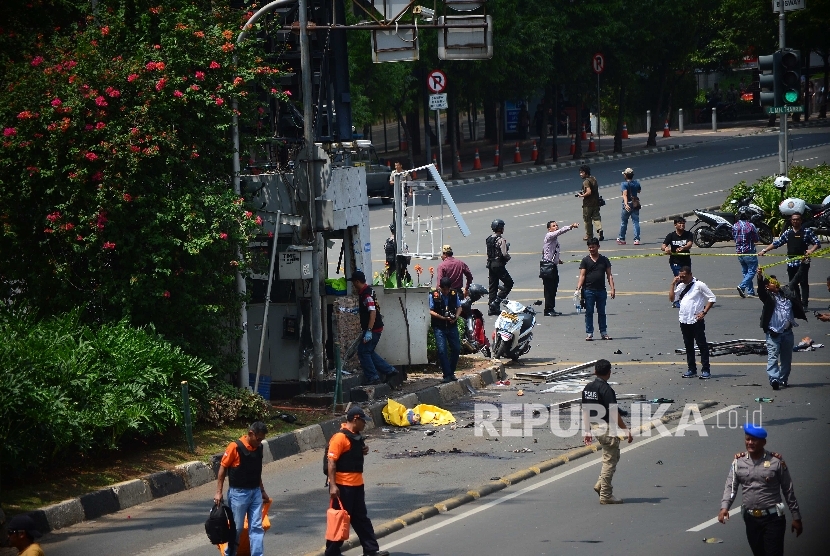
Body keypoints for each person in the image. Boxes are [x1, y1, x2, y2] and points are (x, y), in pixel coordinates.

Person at [718, 424, 803, 554]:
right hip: (751, 519)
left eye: (754, 440)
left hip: (773, 518)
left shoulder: (776, 462)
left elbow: (788, 490)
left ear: (763, 442)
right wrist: (725, 507)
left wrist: (796, 517)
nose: (750, 443)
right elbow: (731, 486)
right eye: (747, 439)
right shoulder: (738, 462)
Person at [325, 407, 389, 556]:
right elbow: (331, 462)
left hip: (357, 485)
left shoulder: (356, 436)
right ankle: (331, 553)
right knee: (340, 520)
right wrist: (333, 486)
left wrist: (362, 450)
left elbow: (352, 455)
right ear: (355, 419)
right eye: (363, 421)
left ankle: (371, 550)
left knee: (361, 519)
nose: (364, 424)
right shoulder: (339, 438)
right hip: (343, 487)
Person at [214, 422, 270, 556]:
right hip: (238, 494)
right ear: (251, 434)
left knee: (256, 527)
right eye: (258, 439)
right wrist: (218, 492)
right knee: (237, 529)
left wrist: (262, 491)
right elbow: (222, 469)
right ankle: (230, 553)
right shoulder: (235, 447)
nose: (260, 442)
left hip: (255, 492)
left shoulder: (259, 448)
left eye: (262, 439)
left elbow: (257, 471)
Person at [582, 359, 633, 505]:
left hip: (595, 426)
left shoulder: (588, 387)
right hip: (606, 427)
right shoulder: (606, 389)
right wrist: (626, 430)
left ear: (595, 371)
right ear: (609, 373)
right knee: (610, 460)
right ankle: (605, 494)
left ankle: (600, 484)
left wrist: (587, 430)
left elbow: (585, 410)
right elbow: (614, 413)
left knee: (612, 455)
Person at [756, 267, 807, 390]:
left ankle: (783, 379)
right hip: (773, 333)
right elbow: (761, 292)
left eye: (776, 281)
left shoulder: (786, 292)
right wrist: (759, 277)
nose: (776, 283)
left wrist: (804, 263)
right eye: (773, 283)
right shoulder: (768, 297)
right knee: (773, 357)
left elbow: (796, 278)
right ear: (768, 287)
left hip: (787, 333)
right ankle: (774, 379)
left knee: (786, 359)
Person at [759, 213, 820, 309]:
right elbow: (777, 243)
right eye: (793, 219)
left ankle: (805, 304)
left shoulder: (807, 232)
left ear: (801, 220)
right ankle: (798, 302)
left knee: (804, 283)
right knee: (793, 283)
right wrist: (764, 250)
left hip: (803, 262)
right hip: (791, 262)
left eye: (797, 219)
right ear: (791, 221)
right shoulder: (788, 233)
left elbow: (817, 243)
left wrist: (811, 250)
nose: (795, 221)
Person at [350, 270, 397, 385]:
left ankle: (373, 377)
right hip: (375, 327)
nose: (353, 285)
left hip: (373, 329)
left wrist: (369, 331)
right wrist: (360, 310)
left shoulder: (366, 294)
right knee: (368, 351)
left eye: (353, 283)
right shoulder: (368, 290)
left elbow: (373, 312)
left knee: (363, 352)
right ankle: (389, 370)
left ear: (357, 281)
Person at [670, 266, 715, 379]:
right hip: (684, 319)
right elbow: (672, 299)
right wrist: (672, 284)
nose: (682, 278)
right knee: (688, 345)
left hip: (696, 320)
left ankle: (706, 369)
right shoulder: (680, 286)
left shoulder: (699, 285)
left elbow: (712, 298)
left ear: (690, 274)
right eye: (680, 276)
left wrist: (704, 312)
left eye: (684, 276)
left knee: (702, 345)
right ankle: (692, 369)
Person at [576, 237, 615, 341]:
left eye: (593, 247)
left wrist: (612, 288)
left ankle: (604, 332)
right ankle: (589, 333)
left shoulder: (604, 260)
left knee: (602, 312)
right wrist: (578, 289)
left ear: (598, 247)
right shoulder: (585, 260)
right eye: (589, 248)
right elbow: (582, 275)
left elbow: (609, 275)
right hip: (588, 290)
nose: (591, 249)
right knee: (589, 312)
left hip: (601, 291)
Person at [541, 220, 579, 316]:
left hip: (552, 265)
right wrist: (571, 226)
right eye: (553, 226)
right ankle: (548, 309)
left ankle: (551, 308)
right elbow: (560, 231)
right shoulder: (549, 235)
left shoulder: (554, 239)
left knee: (553, 287)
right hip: (548, 266)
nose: (556, 227)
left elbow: (547, 251)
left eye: (557, 225)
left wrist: (557, 260)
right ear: (549, 229)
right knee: (549, 289)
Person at [429, 277, 463, 383]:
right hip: (439, 327)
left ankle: (451, 372)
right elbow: (430, 311)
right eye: (444, 290)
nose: (446, 292)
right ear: (440, 288)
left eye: (448, 289)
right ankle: (447, 374)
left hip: (452, 326)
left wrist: (456, 317)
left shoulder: (453, 293)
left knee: (456, 349)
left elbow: (459, 307)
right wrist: (443, 318)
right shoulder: (434, 295)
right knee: (442, 351)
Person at [662, 217, 693, 307]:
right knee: (680, 279)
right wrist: (666, 248)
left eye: (683, 223)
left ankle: (685, 298)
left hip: (686, 261)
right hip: (675, 261)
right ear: (675, 225)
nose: (682, 225)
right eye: (679, 223)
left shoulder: (688, 234)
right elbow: (663, 246)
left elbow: (689, 244)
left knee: (687, 280)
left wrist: (683, 248)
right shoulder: (671, 235)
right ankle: (676, 300)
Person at [485, 219, 513, 316]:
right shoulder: (501, 240)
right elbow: (504, 254)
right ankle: (496, 302)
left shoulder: (489, 239)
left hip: (490, 264)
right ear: (500, 228)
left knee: (493, 286)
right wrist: (508, 258)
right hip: (498, 264)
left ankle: (492, 308)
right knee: (509, 283)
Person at [733, 207, 760, 298]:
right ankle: (742, 286)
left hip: (739, 253)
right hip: (749, 251)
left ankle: (750, 291)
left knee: (745, 271)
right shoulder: (750, 226)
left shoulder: (735, 226)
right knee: (752, 271)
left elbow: (734, 238)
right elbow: (756, 239)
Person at [576, 165, 603, 241]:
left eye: (582, 172)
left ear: (585, 173)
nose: (580, 174)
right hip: (596, 202)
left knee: (587, 220)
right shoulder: (593, 179)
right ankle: (599, 229)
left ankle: (589, 235)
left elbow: (589, 192)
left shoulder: (586, 182)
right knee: (596, 217)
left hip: (588, 204)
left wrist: (581, 195)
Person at [617, 168, 641, 245]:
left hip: (627, 204)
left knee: (624, 222)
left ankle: (622, 238)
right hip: (635, 204)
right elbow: (639, 191)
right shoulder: (636, 183)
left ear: (626, 175)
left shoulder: (624, 184)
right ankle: (636, 239)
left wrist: (626, 204)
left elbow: (625, 195)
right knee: (635, 222)